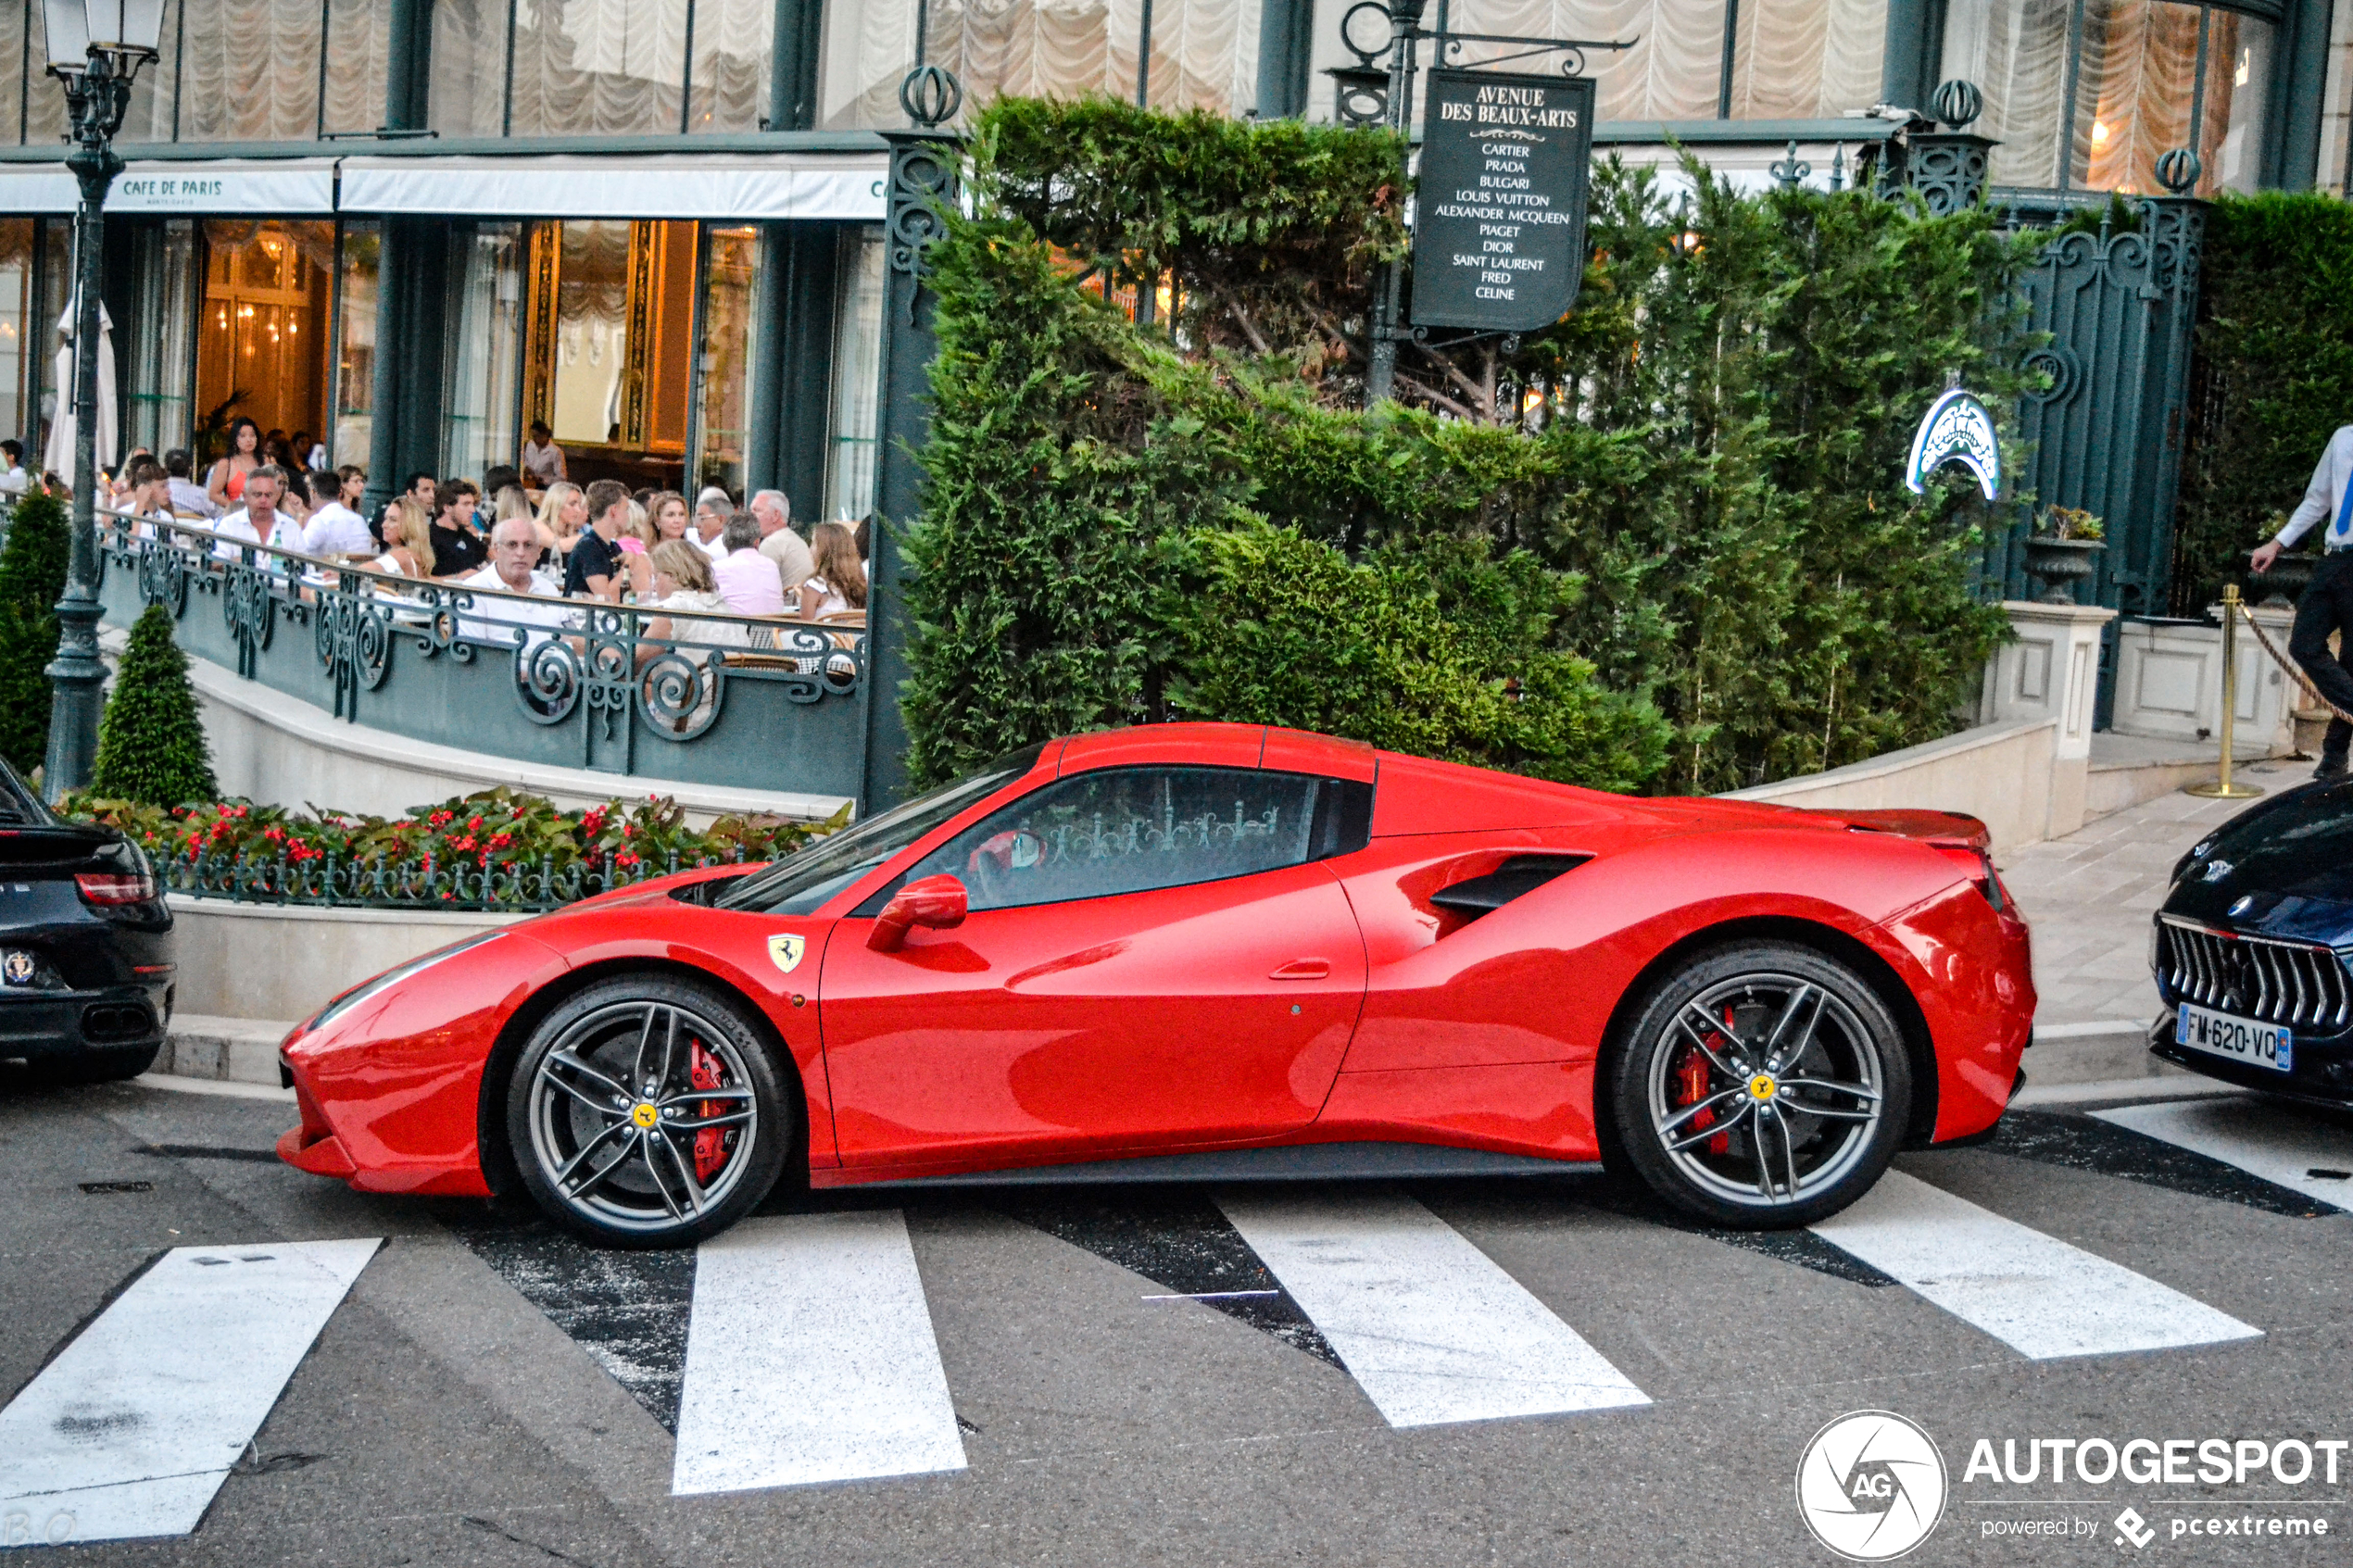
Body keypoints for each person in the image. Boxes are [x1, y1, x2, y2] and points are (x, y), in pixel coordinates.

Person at [2255, 427, 2353, 780]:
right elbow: (2318, 500)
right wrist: (2277, 543)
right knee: (2304, 645)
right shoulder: (2343, 439)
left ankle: (2334, 756)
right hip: (2336, 559)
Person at [458, 516, 574, 648]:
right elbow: (474, 657)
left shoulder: (548, 589)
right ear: (496, 550)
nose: (520, 553)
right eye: (512, 545)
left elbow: (571, 638)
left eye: (528, 545)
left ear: (538, 552)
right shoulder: (474, 591)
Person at [564, 479, 634, 601]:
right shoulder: (589, 547)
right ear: (614, 510)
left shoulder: (613, 548)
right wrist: (628, 565)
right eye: (626, 509)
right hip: (580, 617)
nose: (628, 516)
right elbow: (605, 600)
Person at [711, 511, 785, 615]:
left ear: (724, 542)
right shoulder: (771, 566)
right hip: (772, 629)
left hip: (736, 628)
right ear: (757, 541)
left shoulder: (716, 569)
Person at [209, 463, 289, 558]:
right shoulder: (237, 510)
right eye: (277, 482)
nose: (280, 487)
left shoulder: (287, 515)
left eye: (282, 483)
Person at [798, 520, 868, 620]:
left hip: (823, 635)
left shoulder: (815, 585)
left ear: (823, 551)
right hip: (852, 635)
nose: (810, 548)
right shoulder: (860, 584)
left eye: (814, 543)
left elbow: (805, 627)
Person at [750, 489, 814, 594]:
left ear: (776, 515)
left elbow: (759, 589)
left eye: (757, 510)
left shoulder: (772, 543)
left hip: (783, 608)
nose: (751, 515)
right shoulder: (796, 541)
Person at [299, 468, 374, 557]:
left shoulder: (321, 521)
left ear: (313, 492)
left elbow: (298, 549)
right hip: (360, 569)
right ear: (340, 492)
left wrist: (299, 516)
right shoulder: (359, 520)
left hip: (328, 570)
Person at [427, 477, 489, 576]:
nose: (472, 510)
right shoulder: (428, 538)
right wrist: (458, 579)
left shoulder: (467, 537)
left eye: (473, 504)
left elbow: (487, 557)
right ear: (447, 507)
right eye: (466, 504)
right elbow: (421, 578)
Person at [371, 495, 434, 579]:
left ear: (409, 525)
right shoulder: (415, 555)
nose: (384, 525)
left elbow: (361, 572)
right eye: (385, 519)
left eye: (393, 520)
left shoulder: (402, 555)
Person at [206, 417, 261, 509]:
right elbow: (213, 494)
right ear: (235, 439)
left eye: (252, 435)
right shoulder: (226, 464)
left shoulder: (266, 461)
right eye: (243, 436)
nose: (248, 440)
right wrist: (234, 508)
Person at [533, 481, 586, 561]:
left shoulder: (571, 533)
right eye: (572, 504)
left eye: (579, 505)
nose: (578, 510)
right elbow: (559, 545)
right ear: (557, 504)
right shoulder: (538, 526)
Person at [380, 471, 436, 545]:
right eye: (425, 490)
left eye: (434, 491)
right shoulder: (389, 513)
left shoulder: (436, 523)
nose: (432, 496)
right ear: (410, 493)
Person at [164, 448, 218, 518]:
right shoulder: (203, 495)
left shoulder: (158, 493)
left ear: (165, 468)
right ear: (190, 469)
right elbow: (216, 517)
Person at [521, 420, 566, 486]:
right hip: (530, 483)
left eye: (538, 436)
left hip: (546, 486)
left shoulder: (555, 452)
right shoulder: (530, 445)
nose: (535, 440)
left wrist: (543, 480)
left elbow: (562, 477)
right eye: (533, 437)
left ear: (545, 435)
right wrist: (526, 469)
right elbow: (526, 461)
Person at [691, 490, 733, 558]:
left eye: (702, 519)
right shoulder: (741, 548)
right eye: (696, 519)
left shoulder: (708, 555)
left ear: (721, 520)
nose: (696, 525)